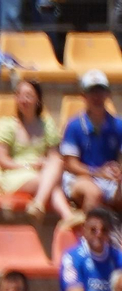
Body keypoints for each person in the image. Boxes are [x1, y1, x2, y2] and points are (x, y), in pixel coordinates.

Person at [0, 78, 63, 220]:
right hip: (14, 173)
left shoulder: (47, 124)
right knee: (49, 184)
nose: (23, 100)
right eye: (20, 95)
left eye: (29, 96)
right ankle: (62, 212)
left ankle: (39, 204)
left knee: (56, 162)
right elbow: (2, 160)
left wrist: (44, 162)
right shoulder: (7, 125)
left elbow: (54, 155)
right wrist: (27, 165)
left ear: (38, 100)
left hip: (41, 172)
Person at [60, 71, 122, 219]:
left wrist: (117, 171)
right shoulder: (74, 126)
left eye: (100, 91)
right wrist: (97, 172)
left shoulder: (118, 126)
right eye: (91, 91)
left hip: (108, 179)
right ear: (84, 96)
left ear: (107, 94)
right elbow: (70, 164)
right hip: (79, 177)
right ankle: (88, 238)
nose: (97, 96)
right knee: (94, 193)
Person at [57, 206, 118, 291]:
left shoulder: (117, 258)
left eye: (104, 230)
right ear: (84, 230)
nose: (99, 234)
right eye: (93, 230)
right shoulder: (72, 258)